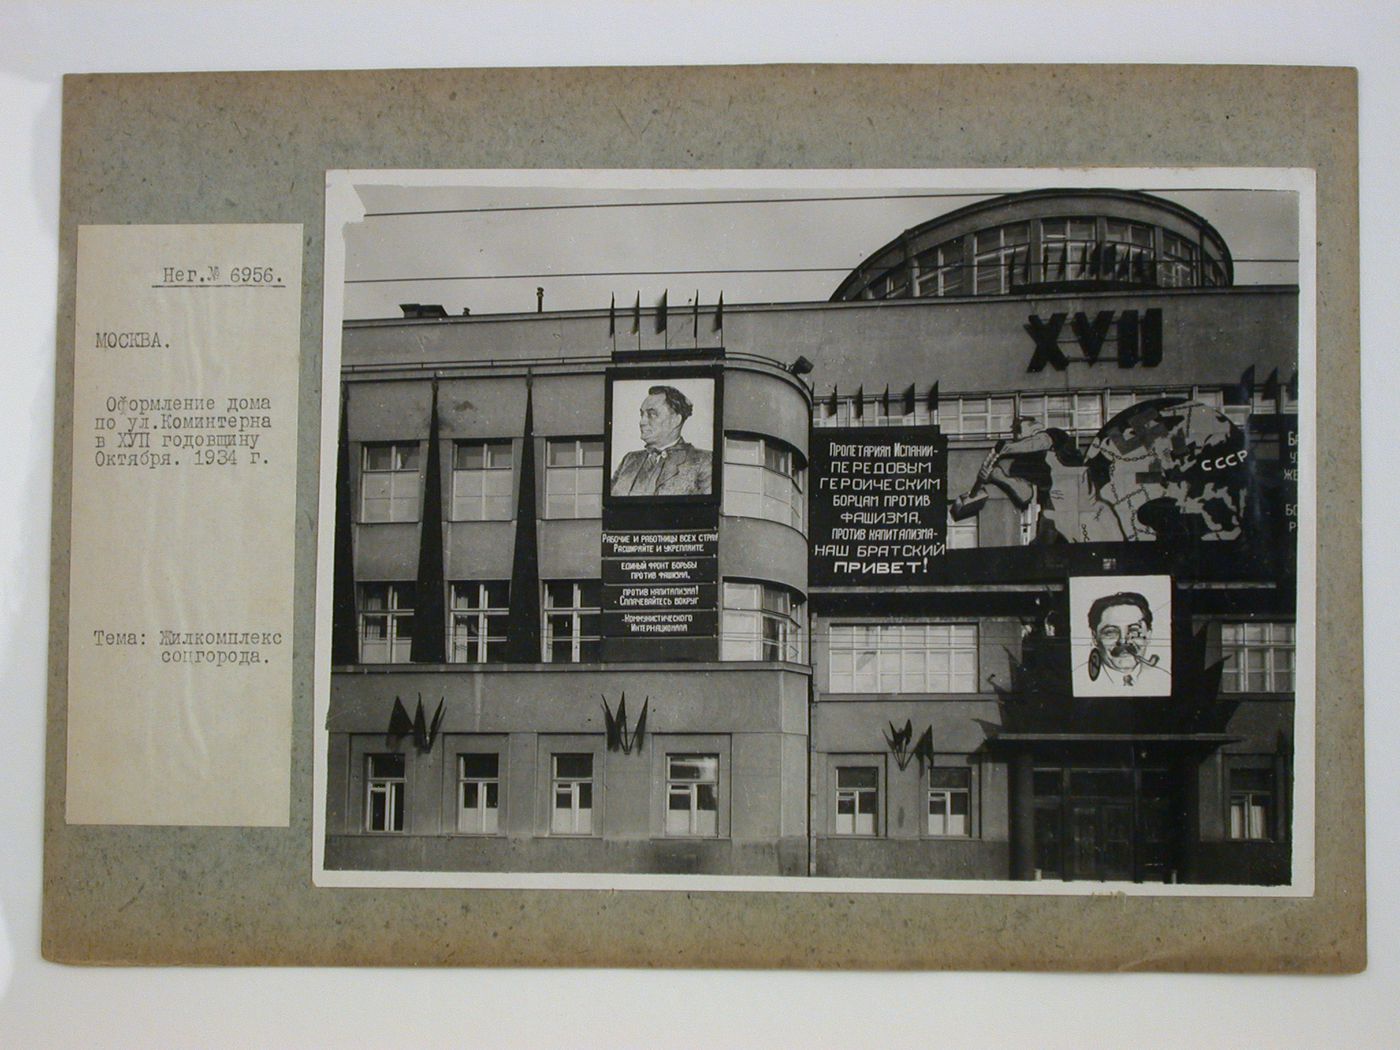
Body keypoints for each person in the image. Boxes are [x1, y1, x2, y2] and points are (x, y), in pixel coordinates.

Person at [610, 384, 712, 496]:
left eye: (652, 414)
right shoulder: (629, 460)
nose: (642, 422)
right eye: (642, 414)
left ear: (675, 420)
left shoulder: (704, 461)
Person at [1080, 591, 1170, 692]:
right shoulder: (1080, 681)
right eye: (1111, 632)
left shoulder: (1164, 679)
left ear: (1148, 635)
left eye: (1134, 631)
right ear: (1094, 638)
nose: (1123, 641)